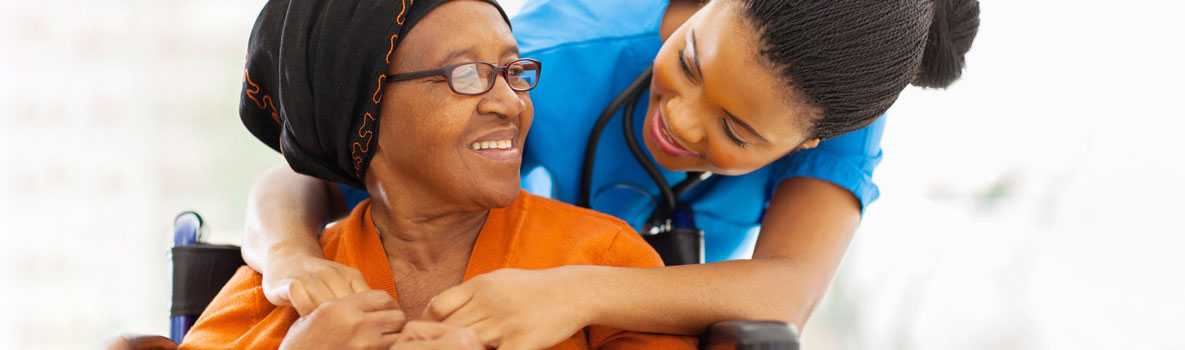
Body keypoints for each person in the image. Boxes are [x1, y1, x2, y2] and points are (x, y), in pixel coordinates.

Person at [242, 0, 981, 348]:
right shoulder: (543, 65)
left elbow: (787, 289)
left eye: (736, 130)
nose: (683, 122)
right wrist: (287, 256)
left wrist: (575, 290)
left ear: (812, 139)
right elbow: (309, 164)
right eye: (689, 62)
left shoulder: (836, 122)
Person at [180, 1, 695, 349]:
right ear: (362, 111)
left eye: (513, 71)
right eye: (465, 75)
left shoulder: (603, 259)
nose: (509, 102)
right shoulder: (280, 294)